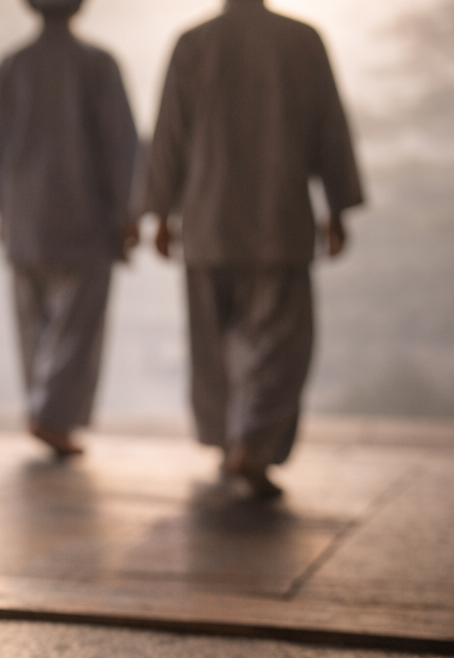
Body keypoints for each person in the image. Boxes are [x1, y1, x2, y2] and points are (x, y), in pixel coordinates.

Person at [142, 0, 363, 497]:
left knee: (214, 344)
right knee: (277, 343)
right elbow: (330, 127)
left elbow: (169, 133)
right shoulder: (302, 40)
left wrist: (159, 211)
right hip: (277, 218)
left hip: (208, 217)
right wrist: (338, 207)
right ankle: (252, 442)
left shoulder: (194, 42)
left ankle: (230, 441)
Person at [0, 0, 139, 458]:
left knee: (34, 324)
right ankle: (52, 415)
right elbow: (120, 143)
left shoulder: (12, 65)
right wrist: (130, 210)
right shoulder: (97, 63)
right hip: (84, 216)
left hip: (25, 217)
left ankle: (43, 409)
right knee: (76, 326)